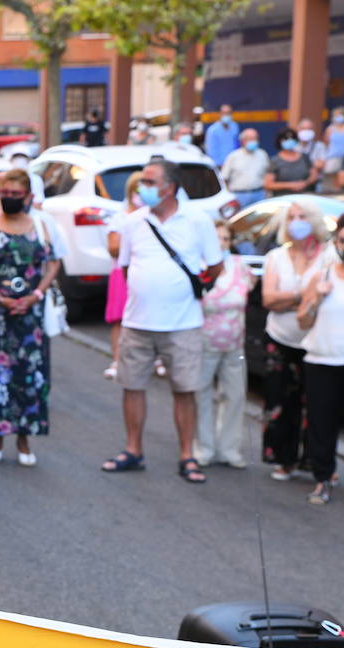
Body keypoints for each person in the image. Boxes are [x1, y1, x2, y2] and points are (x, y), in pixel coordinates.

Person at [102, 158, 223, 483]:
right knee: (132, 386)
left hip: (182, 323)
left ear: (170, 188)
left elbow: (215, 266)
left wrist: (184, 288)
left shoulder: (197, 220)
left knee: (185, 389)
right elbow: (126, 268)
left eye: (150, 182)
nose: (143, 188)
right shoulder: (133, 222)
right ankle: (132, 450)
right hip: (137, 322)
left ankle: (187, 455)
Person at [0, 169, 60, 467]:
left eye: (15, 195)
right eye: (4, 194)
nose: (8, 199)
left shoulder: (40, 227)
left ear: (28, 197)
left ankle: (24, 437)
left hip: (29, 316)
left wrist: (36, 295)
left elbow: (53, 263)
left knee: (28, 375)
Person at [295, 210, 344, 509]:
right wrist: (316, 298)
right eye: (343, 240)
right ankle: (323, 479)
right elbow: (302, 321)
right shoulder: (322, 275)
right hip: (322, 360)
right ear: (336, 242)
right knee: (321, 423)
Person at [261, 199, 329, 481]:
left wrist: (286, 299)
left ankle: (315, 462)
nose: (297, 221)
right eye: (291, 216)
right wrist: (305, 295)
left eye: (302, 216)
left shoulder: (329, 256)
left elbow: (328, 297)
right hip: (280, 338)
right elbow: (268, 299)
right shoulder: (276, 257)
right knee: (280, 400)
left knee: (318, 403)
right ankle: (283, 459)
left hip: (317, 341)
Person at [194, 219, 255, 468]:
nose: (221, 244)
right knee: (201, 395)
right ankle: (203, 448)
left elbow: (251, 288)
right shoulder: (198, 267)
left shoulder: (241, 267)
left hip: (235, 344)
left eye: (226, 239)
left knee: (235, 395)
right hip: (203, 343)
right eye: (217, 238)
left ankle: (229, 449)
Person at [103, 171, 146, 380]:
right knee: (119, 319)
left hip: (145, 272)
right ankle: (117, 360)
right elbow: (112, 247)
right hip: (122, 273)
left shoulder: (150, 217)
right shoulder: (121, 218)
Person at [220, 129, 270, 209]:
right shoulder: (233, 156)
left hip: (259, 194)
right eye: (250, 139)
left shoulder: (263, 154)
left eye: (255, 139)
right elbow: (224, 178)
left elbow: (267, 174)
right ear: (242, 141)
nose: (253, 141)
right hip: (239, 195)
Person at [265, 127, 318, 197]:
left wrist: (305, 183)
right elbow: (268, 184)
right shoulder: (275, 161)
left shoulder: (304, 157)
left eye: (292, 138)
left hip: (305, 197)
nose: (289, 141)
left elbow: (314, 175)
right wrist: (290, 185)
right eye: (286, 139)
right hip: (284, 199)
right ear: (280, 141)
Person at [324, 107, 344, 183]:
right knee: (331, 179)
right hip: (333, 157)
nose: (338, 116)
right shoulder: (329, 129)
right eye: (336, 115)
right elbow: (326, 143)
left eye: (340, 114)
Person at [294, 118, 329, 187]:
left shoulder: (319, 146)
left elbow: (321, 165)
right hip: (296, 183)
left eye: (309, 129)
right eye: (303, 129)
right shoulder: (294, 147)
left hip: (315, 184)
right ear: (298, 130)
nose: (306, 132)